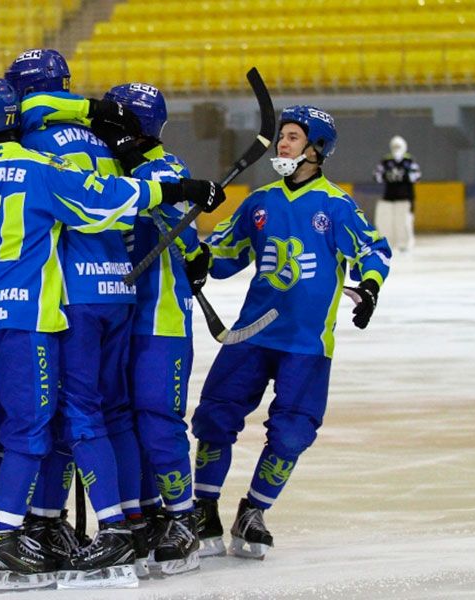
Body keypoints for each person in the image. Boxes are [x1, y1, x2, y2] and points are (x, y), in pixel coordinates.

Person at [0, 78, 221, 591]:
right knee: (48, 424)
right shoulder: (47, 164)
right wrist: (177, 189)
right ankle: (38, 533)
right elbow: (106, 202)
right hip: (35, 319)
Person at [186, 105, 392, 560]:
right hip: (252, 335)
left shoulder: (335, 206)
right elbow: (223, 257)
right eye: (282, 136)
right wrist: (197, 260)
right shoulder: (259, 202)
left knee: (292, 433)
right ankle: (202, 509)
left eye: (294, 137)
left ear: (317, 149)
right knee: (215, 418)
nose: (283, 143)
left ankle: (254, 510)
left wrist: (371, 289)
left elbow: (373, 251)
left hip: (306, 344)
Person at [4, 48, 143, 587]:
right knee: (104, 412)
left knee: (74, 415)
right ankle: (57, 521)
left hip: (71, 297)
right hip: (118, 291)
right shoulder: (101, 135)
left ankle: (111, 534)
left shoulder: (30, 143)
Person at [91, 82, 205, 576]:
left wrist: (197, 257)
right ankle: (143, 513)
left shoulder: (166, 169)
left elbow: (180, 223)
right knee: (123, 422)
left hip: (160, 320)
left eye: (117, 125)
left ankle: (183, 520)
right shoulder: (114, 170)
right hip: (117, 315)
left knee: (158, 420)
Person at [373, 135, 421, 252]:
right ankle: (389, 243)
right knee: (387, 221)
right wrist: (388, 175)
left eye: (399, 146)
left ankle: (405, 243)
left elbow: (416, 177)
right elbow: (376, 176)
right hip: (390, 196)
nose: (396, 149)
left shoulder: (409, 161)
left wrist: (403, 175)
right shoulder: (386, 161)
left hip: (405, 197)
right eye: (394, 146)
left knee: (405, 222)